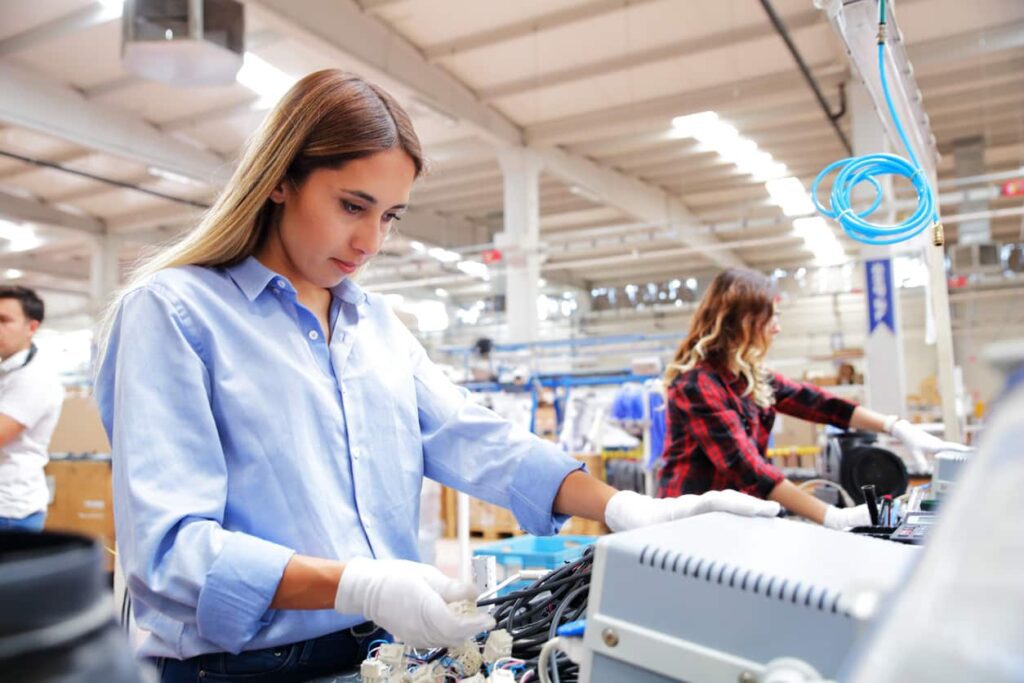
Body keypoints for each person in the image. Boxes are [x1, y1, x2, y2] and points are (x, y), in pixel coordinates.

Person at [94, 70, 779, 682]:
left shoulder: (373, 324)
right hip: (240, 668)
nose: (371, 243)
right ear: (279, 178)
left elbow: (472, 437)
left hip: (380, 653)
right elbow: (170, 550)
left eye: (389, 216)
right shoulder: (176, 313)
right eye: (352, 206)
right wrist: (357, 583)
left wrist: (625, 506)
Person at [656, 268, 966, 530]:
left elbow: (817, 402)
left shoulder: (748, 377)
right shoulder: (696, 385)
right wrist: (832, 516)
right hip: (691, 523)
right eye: (771, 318)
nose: (777, 328)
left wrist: (895, 426)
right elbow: (747, 467)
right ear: (744, 321)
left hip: (731, 518)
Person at [0, 285, 64, 532]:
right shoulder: (7, 371)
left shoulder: (35, 378)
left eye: (4, 320)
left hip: (9, 512)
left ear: (32, 327)